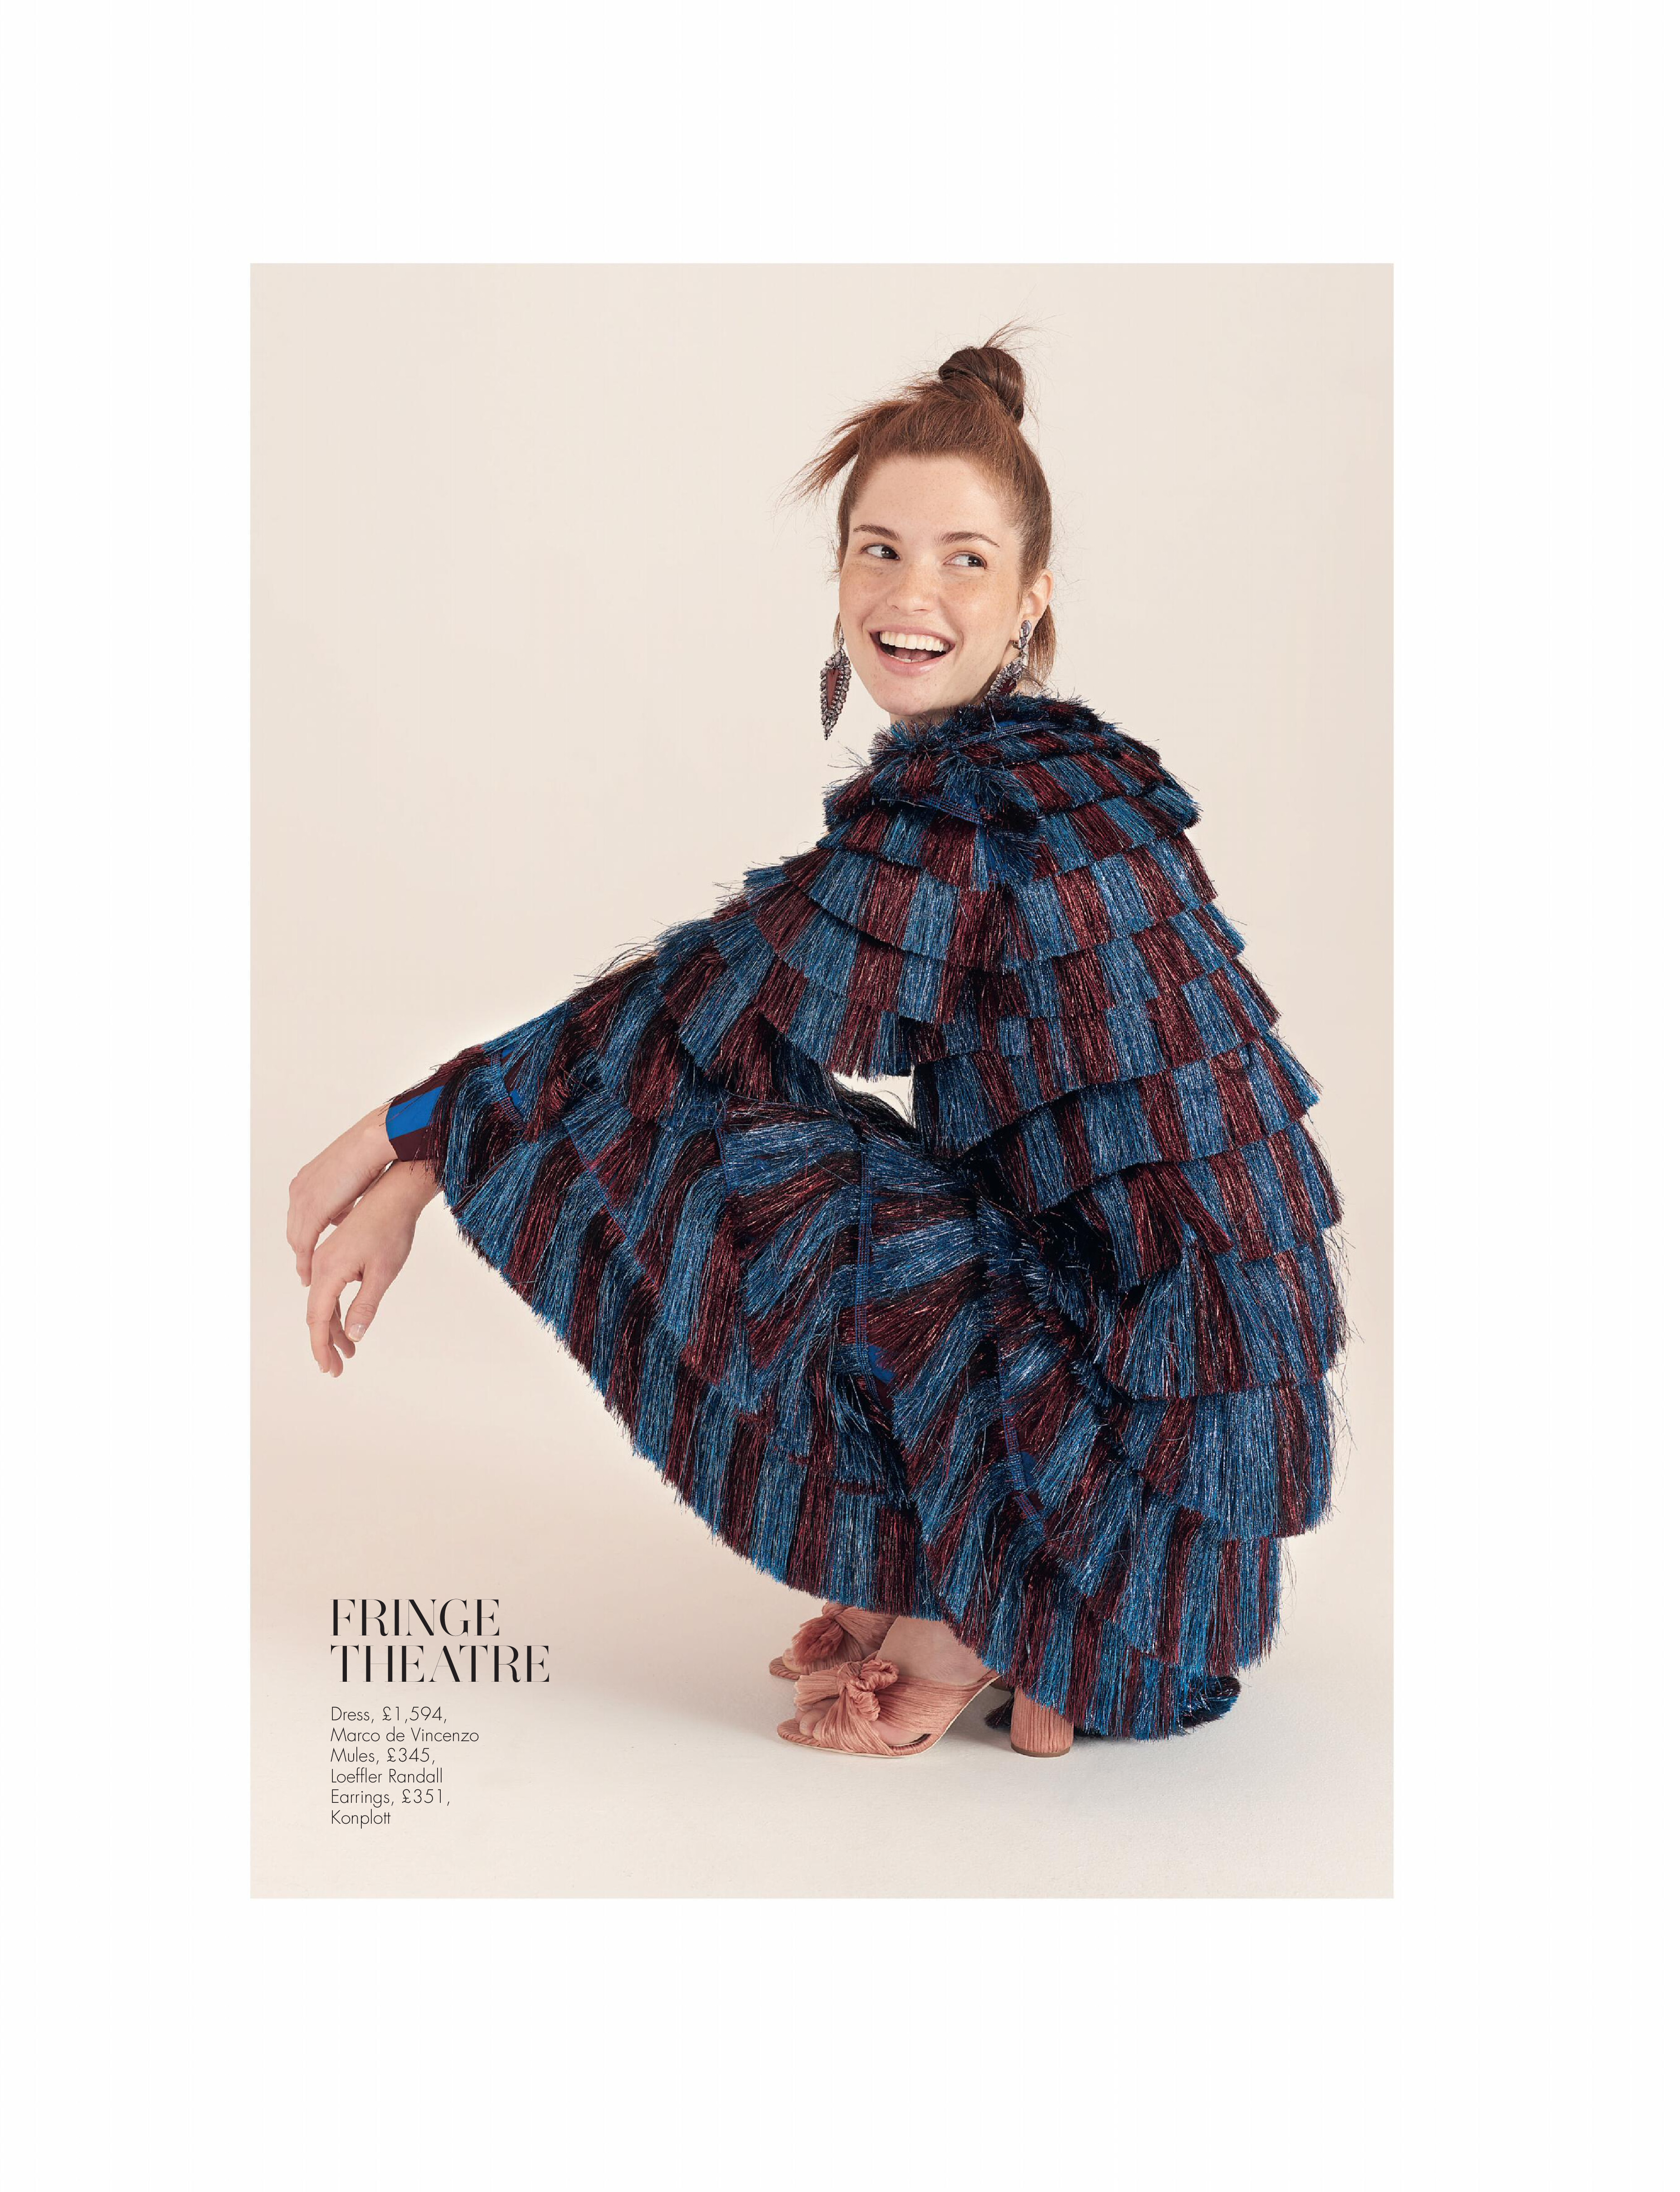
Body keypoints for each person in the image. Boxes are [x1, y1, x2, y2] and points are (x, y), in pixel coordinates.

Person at [286, 330, 1346, 1761]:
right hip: (1164, 1416)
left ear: (1032, 594)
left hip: (1143, 1442)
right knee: (782, 1115)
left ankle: (990, 1608)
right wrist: (429, 1144)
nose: (912, 596)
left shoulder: (970, 807)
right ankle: (964, 1579)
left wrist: (403, 1141)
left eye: (966, 560)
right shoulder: (1048, 767)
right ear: (838, 573)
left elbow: (691, 1011)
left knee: (755, 1145)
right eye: (878, 550)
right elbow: (726, 997)